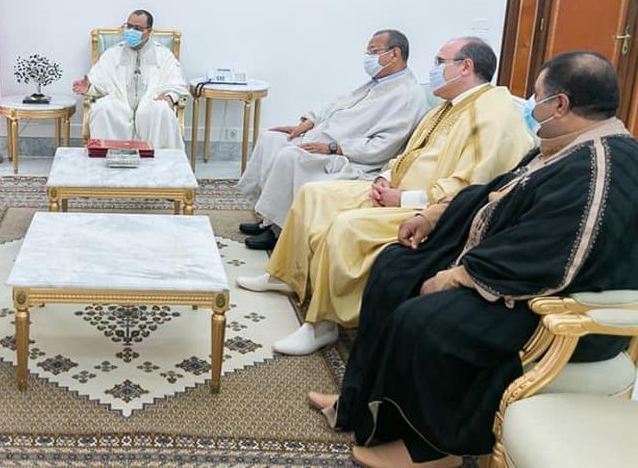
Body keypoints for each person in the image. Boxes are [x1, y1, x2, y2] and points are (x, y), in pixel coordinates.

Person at [307, 51, 638, 468]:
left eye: (536, 96)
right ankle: (357, 402)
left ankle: (431, 449)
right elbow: (496, 192)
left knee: (421, 317)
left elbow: (549, 256)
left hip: (553, 306)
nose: (530, 105)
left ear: (560, 104)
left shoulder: (602, 166)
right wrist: (433, 215)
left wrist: (456, 277)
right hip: (512, 272)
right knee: (394, 269)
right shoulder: (567, 144)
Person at [237, 38, 535, 355]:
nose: (433, 69)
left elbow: (469, 189)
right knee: (313, 194)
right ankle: (286, 275)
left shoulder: (492, 116)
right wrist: (385, 178)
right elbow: (408, 153)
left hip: (426, 208)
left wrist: (403, 199)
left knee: (346, 227)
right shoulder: (448, 106)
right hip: (393, 190)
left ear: (466, 67)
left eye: (439, 61)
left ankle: (322, 323)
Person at [236, 29, 426, 250]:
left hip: (351, 158)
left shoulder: (407, 95)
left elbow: (383, 146)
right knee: (273, 138)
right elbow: (336, 104)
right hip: (322, 141)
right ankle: (267, 218)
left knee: (291, 156)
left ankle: (279, 231)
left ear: (394, 53)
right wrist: (306, 123)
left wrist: (334, 148)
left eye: (374, 51)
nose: (368, 58)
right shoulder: (378, 82)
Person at [72, 9, 188, 149]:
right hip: (119, 104)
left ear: (149, 31)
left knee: (161, 109)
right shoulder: (113, 53)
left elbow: (177, 84)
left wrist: (169, 97)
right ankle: (109, 158)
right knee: (102, 108)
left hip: (151, 105)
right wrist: (89, 87)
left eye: (137, 28)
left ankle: (158, 161)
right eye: (129, 26)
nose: (131, 31)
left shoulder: (163, 55)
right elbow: (99, 82)